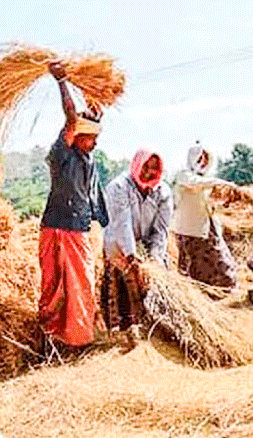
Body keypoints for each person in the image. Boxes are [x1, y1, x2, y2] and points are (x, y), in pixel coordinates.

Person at [37, 61, 109, 347]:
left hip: (77, 229)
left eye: (95, 137)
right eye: (89, 136)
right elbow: (70, 118)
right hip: (55, 227)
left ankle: (78, 339)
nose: (94, 142)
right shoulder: (61, 155)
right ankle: (50, 338)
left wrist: (94, 95)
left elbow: (93, 114)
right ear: (75, 136)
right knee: (53, 288)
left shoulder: (87, 160)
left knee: (81, 286)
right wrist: (62, 81)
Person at [102, 149, 173, 332]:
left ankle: (153, 329)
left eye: (154, 169)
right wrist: (132, 256)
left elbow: (161, 230)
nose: (149, 172)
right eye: (145, 167)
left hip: (146, 245)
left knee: (155, 289)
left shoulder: (163, 192)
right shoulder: (118, 187)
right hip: (119, 245)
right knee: (122, 294)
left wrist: (155, 258)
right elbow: (122, 224)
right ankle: (121, 333)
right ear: (137, 165)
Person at [172, 143, 238, 288]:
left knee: (223, 265)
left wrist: (225, 200)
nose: (203, 163)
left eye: (206, 160)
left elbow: (210, 205)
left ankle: (222, 293)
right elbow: (196, 184)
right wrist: (223, 183)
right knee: (192, 270)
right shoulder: (184, 176)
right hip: (189, 232)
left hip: (208, 230)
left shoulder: (208, 182)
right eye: (200, 159)